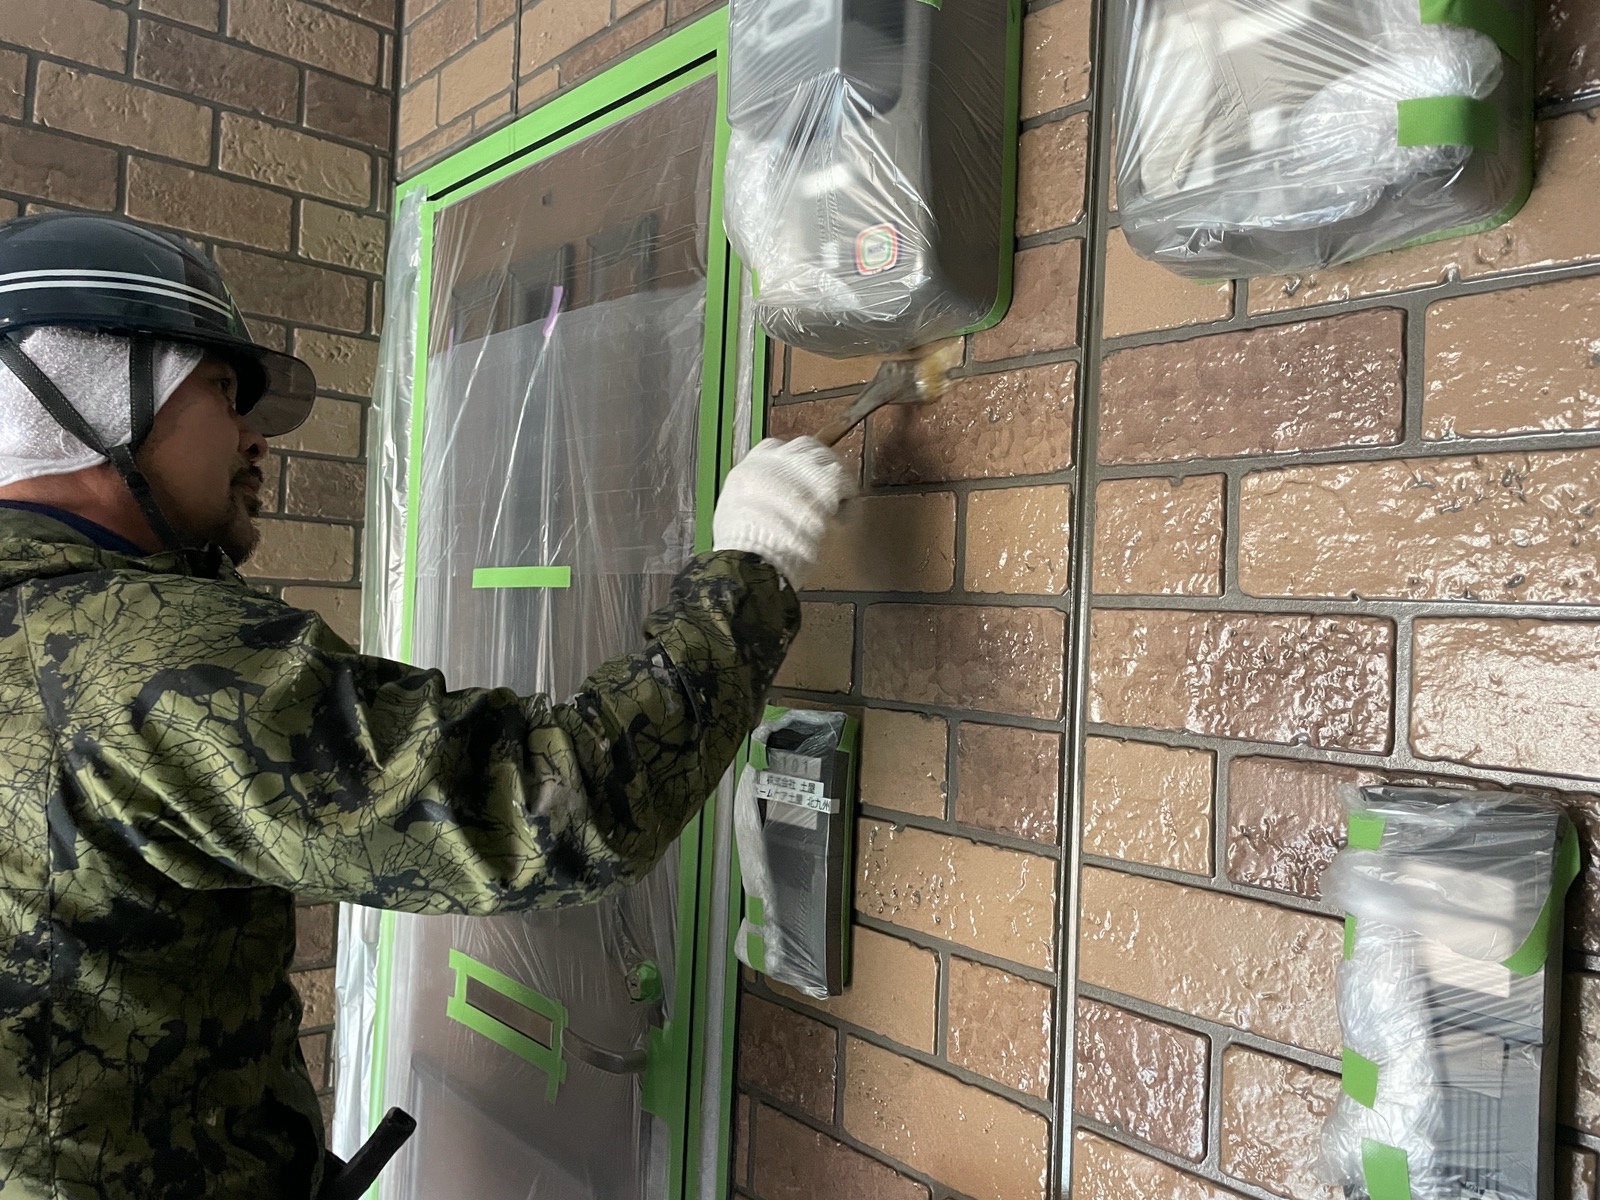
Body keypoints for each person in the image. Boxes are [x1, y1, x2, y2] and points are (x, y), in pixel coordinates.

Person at [0, 212, 853, 1199]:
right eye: (225, 394)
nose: (252, 441)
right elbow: (548, 810)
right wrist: (747, 570)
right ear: (92, 398)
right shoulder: (140, 650)